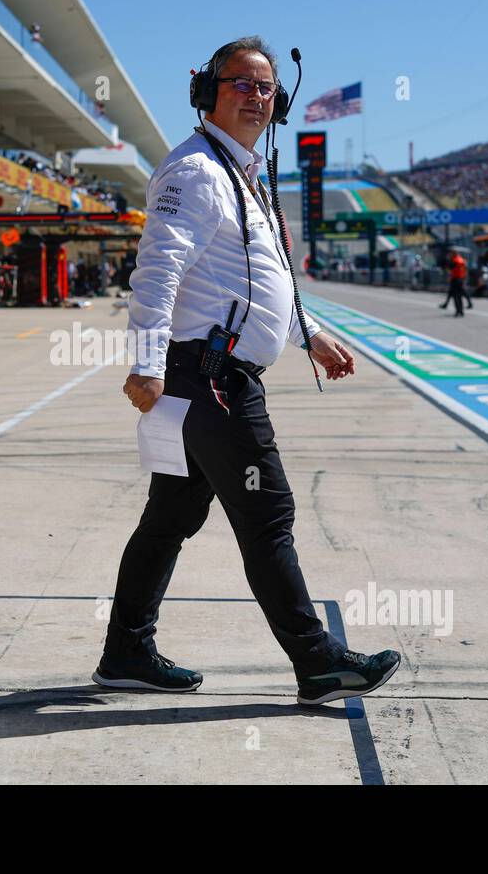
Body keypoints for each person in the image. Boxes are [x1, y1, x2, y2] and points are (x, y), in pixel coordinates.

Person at [101, 36, 400, 705]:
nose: (256, 97)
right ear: (207, 92)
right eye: (241, 84)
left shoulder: (239, 175)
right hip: (209, 376)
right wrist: (145, 365)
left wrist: (310, 335)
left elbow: (257, 284)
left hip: (209, 372)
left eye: (266, 88)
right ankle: (317, 660)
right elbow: (157, 272)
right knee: (269, 514)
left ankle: (126, 650)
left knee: (169, 518)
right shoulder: (196, 172)